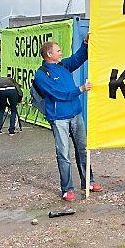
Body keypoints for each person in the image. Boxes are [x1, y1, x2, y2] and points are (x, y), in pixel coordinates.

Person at [33, 36, 100, 201]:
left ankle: (88, 182)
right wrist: (80, 89)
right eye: (58, 50)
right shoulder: (42, 75)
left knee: (83, 149)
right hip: (59, 118)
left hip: (76, 114)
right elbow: (56, 93)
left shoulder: (63, 65)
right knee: (63, 153)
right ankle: (67, 189)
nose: (61, 52)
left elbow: (78, 58)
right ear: (49, 54)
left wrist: (85, 43)